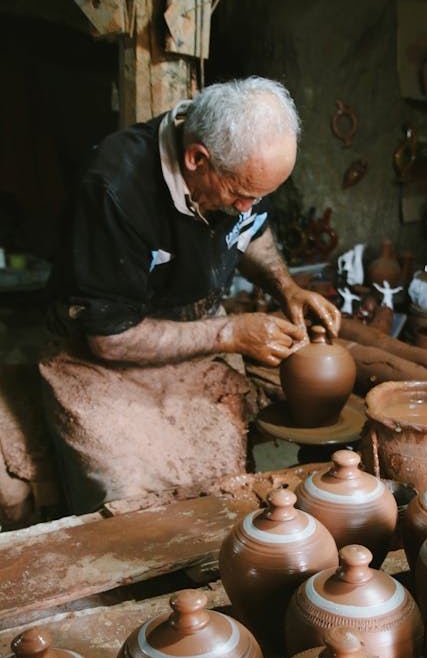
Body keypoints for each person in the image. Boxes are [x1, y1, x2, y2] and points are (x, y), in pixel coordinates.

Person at [40, 76, 341, 514]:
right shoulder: (113, 190)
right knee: (128, 499)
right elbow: (108, 337)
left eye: (260, 196)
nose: (248, 206)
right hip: (95, 354)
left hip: (191, 334)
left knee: (222, 481)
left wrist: (286, 285)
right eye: (241, 195)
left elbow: (249, 229)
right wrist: (230, 333)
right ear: (198, 158)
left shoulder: (240, 170)